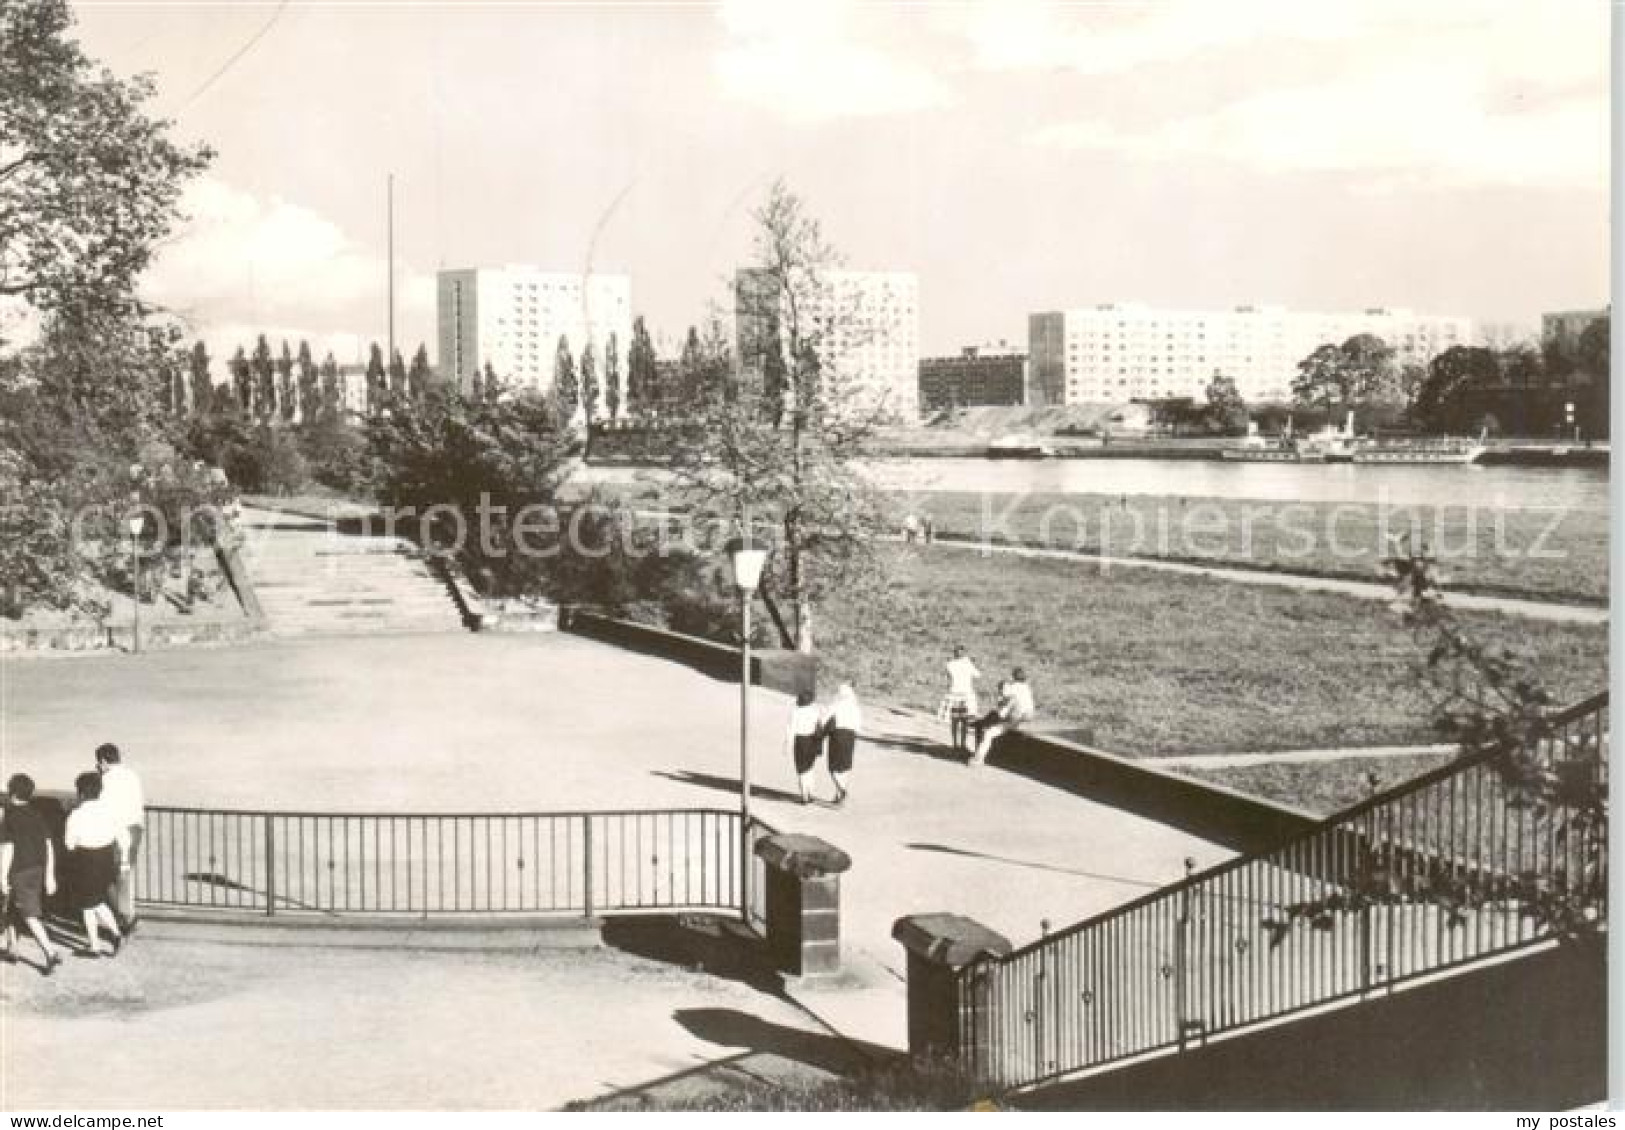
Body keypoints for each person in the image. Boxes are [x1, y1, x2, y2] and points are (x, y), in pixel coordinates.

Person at [0, 775, 63, 975]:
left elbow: (8, 849)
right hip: (37, 869)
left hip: (18, 871)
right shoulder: (37, 814)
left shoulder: (9, 817)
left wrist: (1, 876)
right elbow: (48, 845)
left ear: (12, 793)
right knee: (11, 906)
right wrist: (50, 875)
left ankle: (50, 953)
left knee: (29, 914)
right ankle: (12, 948)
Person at [63, 772, 125, 957]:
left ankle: (97, 944)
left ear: (80, 793)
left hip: (86, 860)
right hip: (106, 857)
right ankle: (111, 937)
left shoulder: (77, 815)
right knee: (96, 901)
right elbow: (122, 836)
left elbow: (69, 843)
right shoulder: (110, 810)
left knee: (87, 905)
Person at [95, 743, 144, 933]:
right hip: (135, 829)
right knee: (126, 873)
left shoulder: (106, 779)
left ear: (103, 761)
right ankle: (126, 914)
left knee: (109, 876)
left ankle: (126, 917)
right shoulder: (132, 775)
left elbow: (103, 807)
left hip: (117, 831)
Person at [970, 667, 1035, 767]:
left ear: (1013, 677)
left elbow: (1002, 711)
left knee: (988, 733)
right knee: (992, 721)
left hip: (1015, 719)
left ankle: (979, 757)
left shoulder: (1013, 689)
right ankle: (980, 753)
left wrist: (1001, 697)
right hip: (1026, 718)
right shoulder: (1026, 687)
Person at [822, 683, 862, 806]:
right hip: (851, 736)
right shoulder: (855, 708)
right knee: (845, 766)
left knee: (832, 767)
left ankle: (842, 790)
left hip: (837, 735)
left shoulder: (836, 704)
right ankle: (838, 796)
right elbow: (859, 727)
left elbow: (824, 720)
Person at [939, 645, 982, 752]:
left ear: (954, 654)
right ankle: (962, 744)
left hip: (954, 693)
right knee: (964, 720)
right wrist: (970, 663)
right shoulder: (967, 664)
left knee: (955, 720)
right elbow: (978, 675)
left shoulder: (949, 664)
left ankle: (955, 744)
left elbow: (948, 677)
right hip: (965, 694)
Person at [785, 690, 825, 805]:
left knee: (801, 770)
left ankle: (804, 796)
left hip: (801, 742)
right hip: (812, 741)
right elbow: (819, 727)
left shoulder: (795, 712)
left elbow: (790, 730)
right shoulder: (815, 712)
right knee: (810, 768)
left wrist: (787, 745)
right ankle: (811, 793)